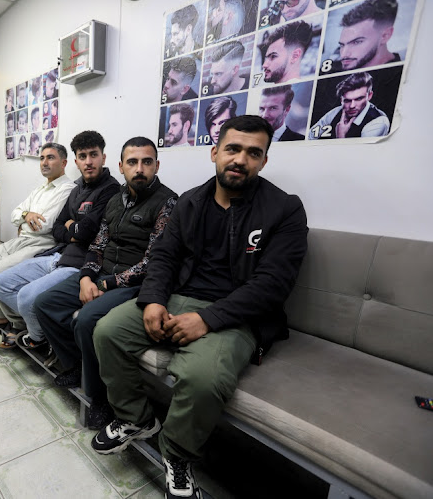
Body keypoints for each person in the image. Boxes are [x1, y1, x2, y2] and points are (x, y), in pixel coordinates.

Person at [90, 115, 308, 499]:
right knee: (107, 331)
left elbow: (273, 285)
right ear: (215, 153)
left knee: (204, 379)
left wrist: (207, 318)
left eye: (253, 153)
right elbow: (163, 258)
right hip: (176, 297)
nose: (241, 159)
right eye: (233, 149)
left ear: (264, 161)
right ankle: (136, 419)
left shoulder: (285, 210)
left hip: (237, 314)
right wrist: (154, 300)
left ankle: (176, 454)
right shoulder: (190, 202)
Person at [34, 137, 178, 430]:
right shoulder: (115, 199)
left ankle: (100, 398)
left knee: (87, 320)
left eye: (147, 162)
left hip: (133, 283)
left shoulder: (168, 202)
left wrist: (105, 285)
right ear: (121, 166)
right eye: (133, 162)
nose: (140, 169)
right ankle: (77, 364)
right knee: (44, 303)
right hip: (100, 274)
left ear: (156, 165)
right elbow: (97, 245)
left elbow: (154, 261)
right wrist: (86, 276)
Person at [0, 131, 119, 350]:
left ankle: (40, 339)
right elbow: (58, 230)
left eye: (93, 155)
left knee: (26, 297)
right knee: (1, 283)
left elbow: (84, 232)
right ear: (76, 161)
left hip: (80, 263)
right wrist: (71, 227)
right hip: (58, 254)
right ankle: (45, 329)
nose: (88, 162)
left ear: (103, 158)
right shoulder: (78, 188)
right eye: (83, 156)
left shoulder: (111, 190)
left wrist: (71, 226)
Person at [0, 142, 75, 335]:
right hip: (22, 240)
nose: (44, 162)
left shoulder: (67, 189)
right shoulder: (40, 189)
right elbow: (15, 214)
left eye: (50, 158)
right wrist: (26, 215)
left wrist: (23, 221)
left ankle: (17, 325)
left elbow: (45, 226)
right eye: (42, 158)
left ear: (64, 162)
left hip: (42, 244)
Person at [310, 71, 389, 139]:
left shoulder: (378, 122)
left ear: (370, 95)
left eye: (358, 99)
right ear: (341, 100)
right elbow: (310, 136)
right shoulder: (335, 112)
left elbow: (360, 154)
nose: (352, 106)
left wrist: (340, 136)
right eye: (347, 100)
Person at [334, 0, 400, 72]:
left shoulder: (398, 74)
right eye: (342, 45)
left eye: (357, 42)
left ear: (385, 36)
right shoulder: (332, 69)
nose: (343, 55)